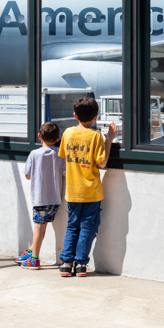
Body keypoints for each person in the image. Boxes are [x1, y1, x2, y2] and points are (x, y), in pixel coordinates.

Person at [57, 97, 117, 277]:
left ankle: (67, 264)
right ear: (96, 116)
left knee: (72, 226)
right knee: (87, 227)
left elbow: (64, 157)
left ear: (75, 115)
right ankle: (81, 265)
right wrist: (109, 139)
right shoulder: (96, 136)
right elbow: (102, 163)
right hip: (91, 191)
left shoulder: (67, 133)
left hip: (73, 191)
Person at [16, 122, 66, 270]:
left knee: (38, 227)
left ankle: (35, 258)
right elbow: (65, 172)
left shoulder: (34, 154)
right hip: (54, 198)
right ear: (58, 138)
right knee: (42, 227)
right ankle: (32, 251)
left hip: (40, 198)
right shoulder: (60, 154)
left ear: (39, 136)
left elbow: (27, 175)